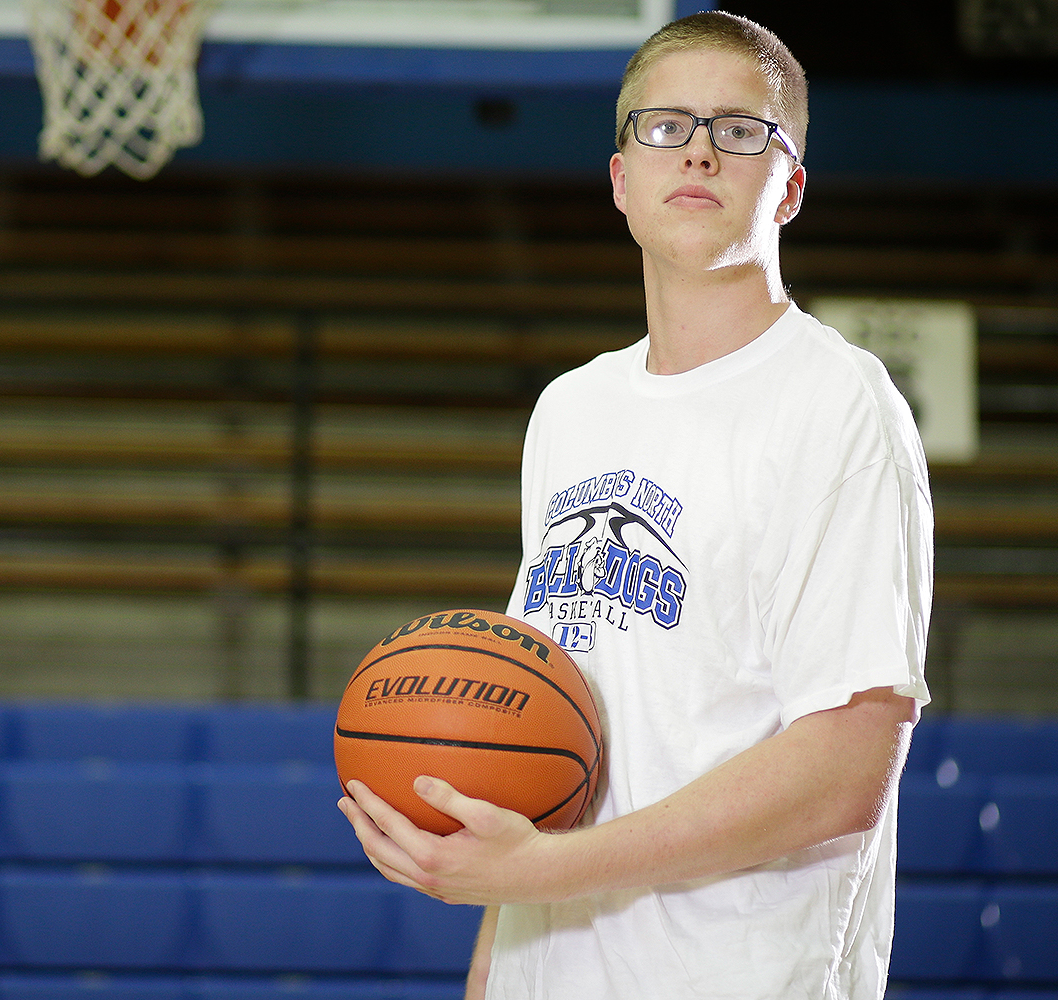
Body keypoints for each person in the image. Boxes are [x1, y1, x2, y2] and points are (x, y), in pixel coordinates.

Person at [338, 11, 934, 1000]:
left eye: (741, 129)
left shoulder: (839, 404)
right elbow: (542, 735)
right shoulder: (571, 409)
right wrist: (497, 958)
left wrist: (544, 871)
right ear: (621, 180)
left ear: (786, 187)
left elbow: (845, 771)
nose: (698, 146)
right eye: (665, 126)